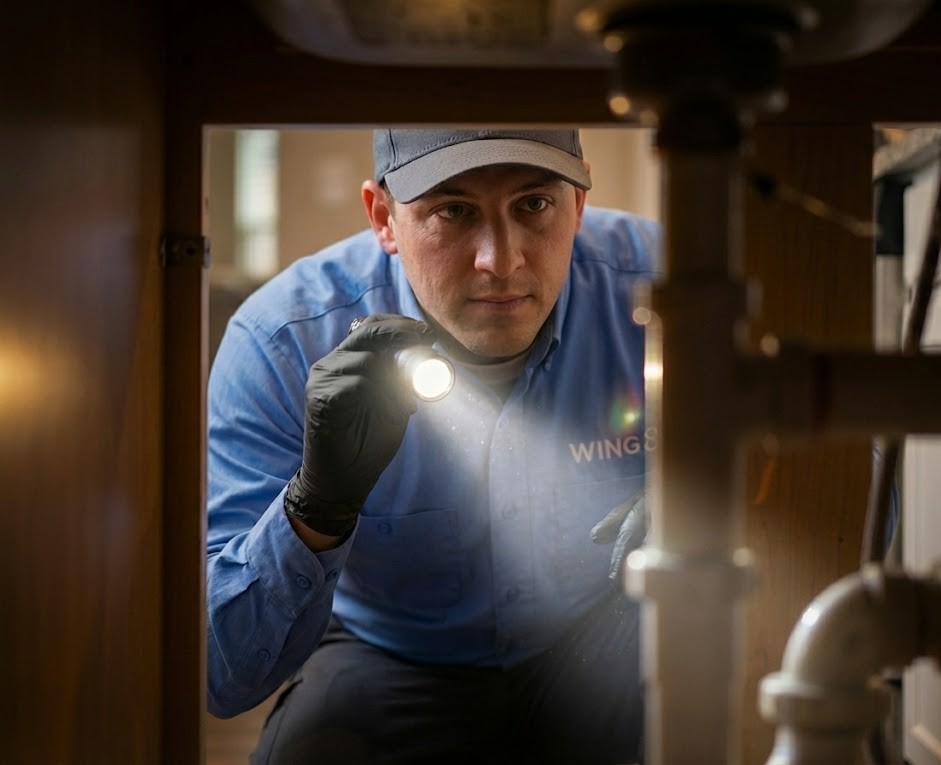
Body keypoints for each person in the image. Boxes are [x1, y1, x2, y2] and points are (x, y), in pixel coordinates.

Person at [206, 128, 662, 764]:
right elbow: (219, 675)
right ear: (383, 217)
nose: (500, 262)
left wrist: (711, 508)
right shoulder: (282, 342)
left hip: (601, 635)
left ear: (578, 205)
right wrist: (315, 506)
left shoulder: (669, 295)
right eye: (453, 211)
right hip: (391, 650)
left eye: (534, 205)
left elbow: (795, 492)